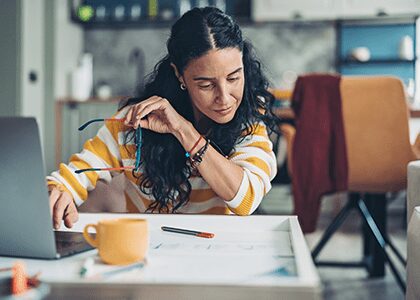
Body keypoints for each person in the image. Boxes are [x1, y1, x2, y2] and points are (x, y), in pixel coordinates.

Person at [47, 7, 280, 229]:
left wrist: (183, 130)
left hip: (217, 252)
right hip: (148, 252)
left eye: (233, 78)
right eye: (206, 84)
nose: (225, 98)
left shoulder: (249, 120)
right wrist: (60, 190)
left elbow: (246, 200)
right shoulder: (138, 120)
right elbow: (78, 172)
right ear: (180, 74)